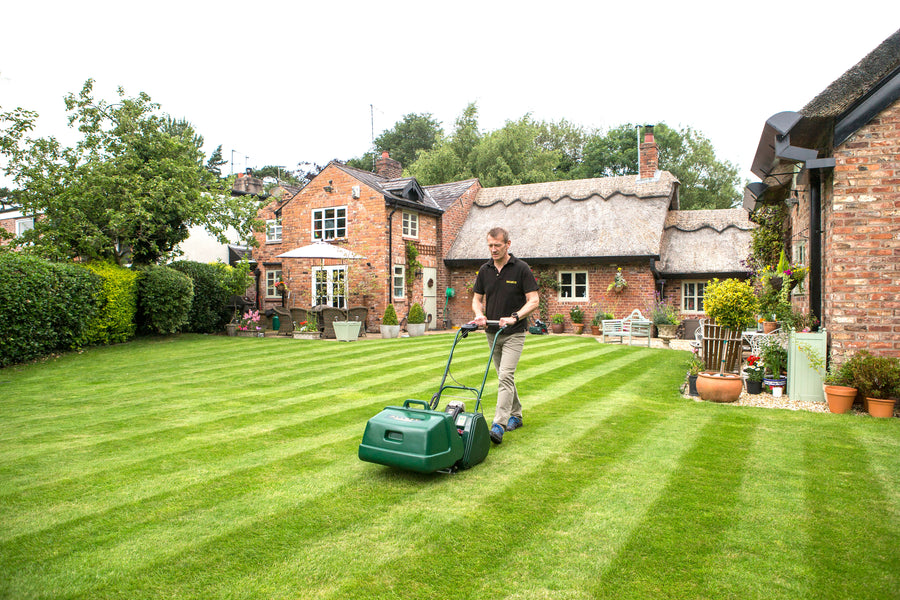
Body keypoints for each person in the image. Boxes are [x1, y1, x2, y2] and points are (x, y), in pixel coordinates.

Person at [471, 227, 540, 444]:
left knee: (505, 376)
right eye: (490, 245)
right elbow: (476, 299)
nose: (493, 249)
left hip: (514, 333)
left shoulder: (521, 269)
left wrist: (515, 317)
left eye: (497, 246)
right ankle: (516, 415)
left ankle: (498, 425)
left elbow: (534, 300)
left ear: (507, 244)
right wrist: (479, 314)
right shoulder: (485, 270)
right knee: (504, 375)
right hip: (492, 333)